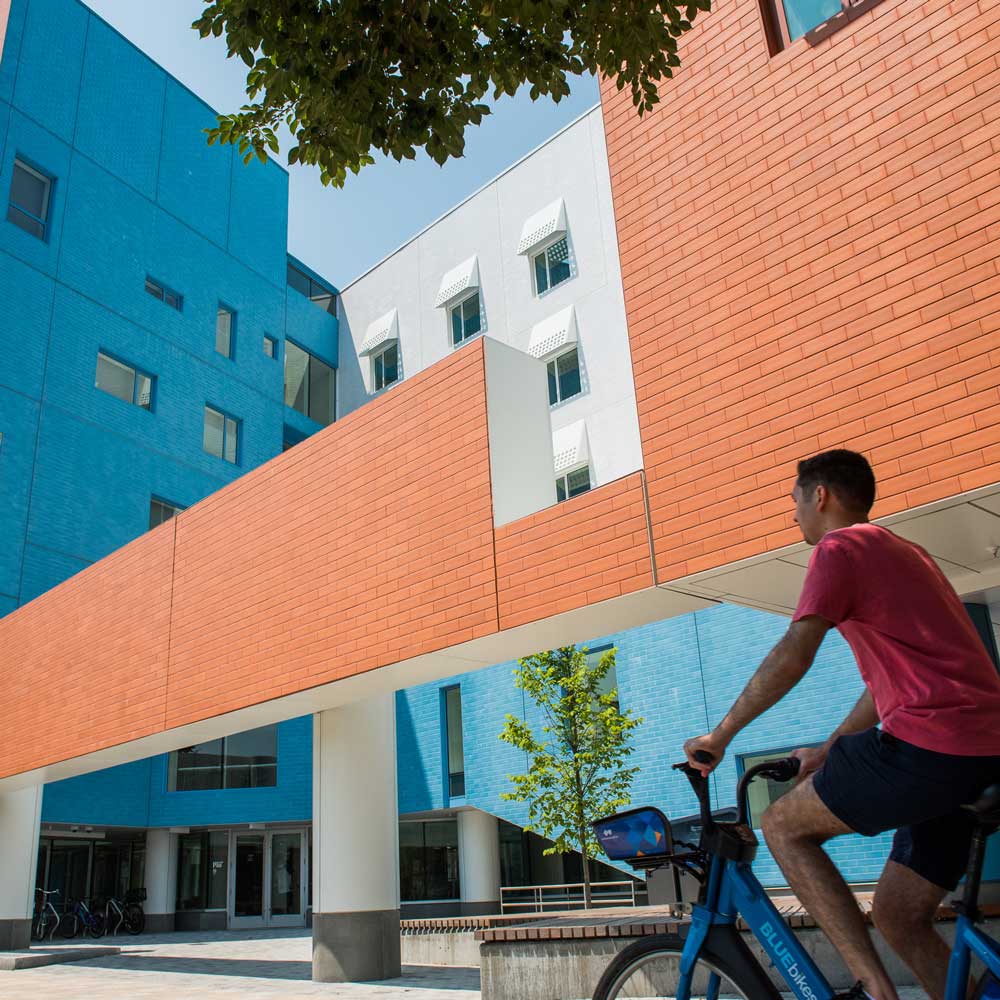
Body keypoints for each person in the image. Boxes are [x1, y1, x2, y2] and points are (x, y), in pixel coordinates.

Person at [683, 449, 1000, 1000]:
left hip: (931, 749)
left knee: (782, 825)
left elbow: (796, 651)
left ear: (820, 495)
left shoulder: (840, 547)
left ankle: (873, 989)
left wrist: (721, 735)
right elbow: (886, 687)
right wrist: (831, 747)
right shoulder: (908, 554)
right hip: (978, 753)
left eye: (795, 501)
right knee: (899, 915)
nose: (794, 514)